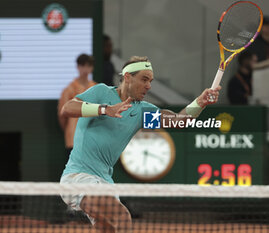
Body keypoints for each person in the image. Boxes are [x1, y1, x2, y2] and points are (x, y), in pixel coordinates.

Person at [59, 56, 221, 233]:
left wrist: (200, 102)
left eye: (150, 81)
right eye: (144, 79)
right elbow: (68, 108)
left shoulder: (142, 111)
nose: (148, 86)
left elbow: (178, 121)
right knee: (121, 216)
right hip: (78, 177)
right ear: (127, 77)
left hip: (105, 182)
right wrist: (106, 109)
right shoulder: (101, 92)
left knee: (108, 228)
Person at [58, 54, 97, 158]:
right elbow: (62, 115)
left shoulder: (96, 88)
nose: (85, 69)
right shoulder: (69, 90)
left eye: (88, 66)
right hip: (74, 138)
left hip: (93, 138)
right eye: (82, 66)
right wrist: (69, 129)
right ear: (78, 67)